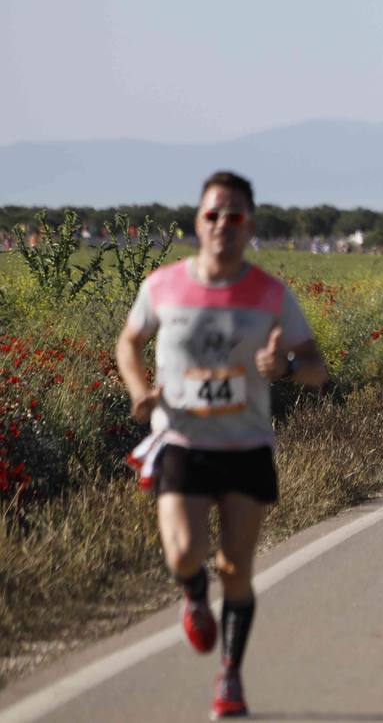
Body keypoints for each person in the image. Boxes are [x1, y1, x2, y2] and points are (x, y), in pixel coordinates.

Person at [117, 171, 329, 720]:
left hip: (246, 445)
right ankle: (193, 597)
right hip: (182, 441)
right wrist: (140, 389)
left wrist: (283, 366)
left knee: (236, 568)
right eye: (213, 214)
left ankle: (230, 676)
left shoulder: (270, 294)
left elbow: (316, 368)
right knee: (183, 553)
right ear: (198, 221)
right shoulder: (162, 285)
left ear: (249, 226)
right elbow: (129, 340)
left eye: (234, 216)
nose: (222, 225)